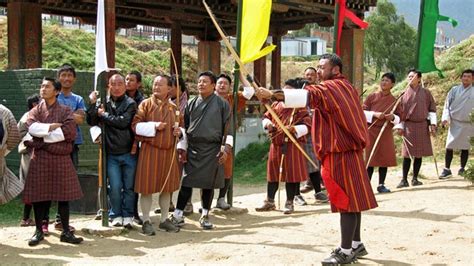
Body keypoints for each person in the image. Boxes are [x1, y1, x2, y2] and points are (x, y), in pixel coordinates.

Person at [256, 54, 378, 264]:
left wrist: (274, 94)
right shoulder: (345, 87)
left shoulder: (332, 87)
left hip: (340, 152)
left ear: (336, 70)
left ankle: (346, 250)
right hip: (347, 152)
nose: (318, 72)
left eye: (322, 68)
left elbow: (307, 95)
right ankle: (356, 243)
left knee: (345, 201)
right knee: (352, 200)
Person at [22, 77, 83, 246]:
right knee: (39, 196)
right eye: (41, 86)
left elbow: (70, 133)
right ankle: (38, 231)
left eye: (47, 86)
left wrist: (42, 138)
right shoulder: (35, 111)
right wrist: (50, 128)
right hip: (40, 159)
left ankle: (65, 231)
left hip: (60, 158)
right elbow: (31, 128)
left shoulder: (65, 110)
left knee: (64, 196)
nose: (43, 89)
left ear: (56, 91)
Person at [170, 71, 232, 230]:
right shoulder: (191, 103)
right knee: (186, 181)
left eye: (205, 82)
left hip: (212, 150)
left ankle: (205, 214)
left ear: (213, 85)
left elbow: (228, 130)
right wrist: (182, 146)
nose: (201, 84)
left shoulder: (222, 104)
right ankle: (178, 214)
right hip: (193, 148)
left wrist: (225, 150)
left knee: (208, 185)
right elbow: (186, 128)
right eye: (199, 82)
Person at [132, 75, 182, 235]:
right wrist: (154, 126)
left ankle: (164, 220)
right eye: (154, 84)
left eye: (161, 85)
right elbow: (135, 126)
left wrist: (179, 132)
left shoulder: (174, 108)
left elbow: (181, 128)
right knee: (146, 187)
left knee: (167, 188)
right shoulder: (145, 104)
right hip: (150, 151)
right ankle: (146, 220)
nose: (156, 87)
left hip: (169, 152)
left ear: (169, 88)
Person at [87, 74, 137, 229]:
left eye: (120, 84)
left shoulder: (130, 103)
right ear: (108, 86)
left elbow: (123, 122)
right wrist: (93, 105)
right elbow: (91, 121)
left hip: (129, 152)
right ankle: (116, 214)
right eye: (113, 84)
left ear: (124, 86)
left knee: (129, 186)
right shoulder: (104, 103)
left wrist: (104, 115)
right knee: (114, 186)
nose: (116, 87)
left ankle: (128, 215)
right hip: (111, 153)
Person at [255, 78, 311, 214]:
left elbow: (308, 125)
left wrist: (294, 129)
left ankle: (290, 202)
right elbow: (266, 117)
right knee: (273, 173)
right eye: (284, 90)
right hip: (277, 144)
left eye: (289, 91)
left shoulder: (300, 107)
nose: (285, 94)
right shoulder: (275, 105)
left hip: (293, 144)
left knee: (292, 174)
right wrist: (268, 124)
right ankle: (269, 201)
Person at [394, 69, 437, 188]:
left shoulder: (426, 93)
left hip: (422, 125)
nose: (410, 79)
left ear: (419, 79)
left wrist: (432, 124)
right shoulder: (403, 94)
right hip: (408, 126)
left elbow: (432, 109)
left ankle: (415, 178)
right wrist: (399, 126)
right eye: (409, 77)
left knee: (419, 154)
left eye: (413, 77)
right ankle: (404, 180)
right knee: (407, 154)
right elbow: (398, 112)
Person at [363, 73, 401, 193]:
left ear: (392, 84)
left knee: (384, 159)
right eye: (382, 80)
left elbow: (399, 117)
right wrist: (375, 114)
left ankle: (381, 184)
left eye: (387, 81)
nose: (384, 82)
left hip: (385, 131)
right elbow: (362, 112)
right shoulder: (372, 96)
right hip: (372, 131)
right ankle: (366, 186)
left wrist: (392, 117)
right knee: (370, 159)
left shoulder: (394, 100)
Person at [214, 73, 247, 210]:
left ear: (229, 87)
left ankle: (221, 199)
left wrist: (241, 76)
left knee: (227, 169)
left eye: (225, 83)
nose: (222, 85)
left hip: (227, 138)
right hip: (208, 139)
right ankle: (205, 202)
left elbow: (249, 93)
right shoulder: (207, 98)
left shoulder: (231, 98)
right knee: (207, 171)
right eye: (219, 83)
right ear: (214, 85)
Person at [439, 69, 473, 178]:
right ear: (461, 78)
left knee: (465, 147)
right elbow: (447, 105)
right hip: (455, 122)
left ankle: (462, 168)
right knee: (449, 145)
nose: (466, 78)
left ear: (473, 79)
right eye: (464, 76)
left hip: (469, 123)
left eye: (468, 76)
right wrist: (445, 118)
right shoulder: (454, 90)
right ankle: (447, 169)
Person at [126, 70, 146, 225]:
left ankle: (133, 212)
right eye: (126, 79)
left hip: (135, 143)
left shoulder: (143, 102)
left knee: (133, 181)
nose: (128, 82)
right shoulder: (116, 97)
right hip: (117, 142)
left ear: (138, 83)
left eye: (131, 80)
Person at [18, 94, 41, 227]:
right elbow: (18, 132)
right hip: (29, 154)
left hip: (36, 152)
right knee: (30, 186)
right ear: (34, 104)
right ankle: (26, 218)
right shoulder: (28, 116)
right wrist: (30, 140)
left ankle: (36, 219)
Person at [0, 104, 21, 205]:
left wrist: (4, 152)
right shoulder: (4, 111)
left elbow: (15, 136)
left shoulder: (3, 111)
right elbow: (15, 136)